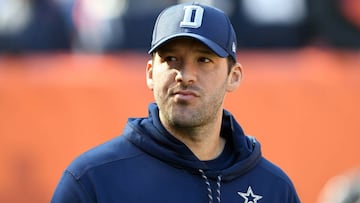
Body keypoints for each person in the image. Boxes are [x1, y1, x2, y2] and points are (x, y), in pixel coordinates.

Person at [51, 2, 300, 203]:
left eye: (204, 60)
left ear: (233, 77)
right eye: (171, 58)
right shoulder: (92, 180)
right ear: (150, 73)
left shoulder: (273, 188)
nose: (185, 74)